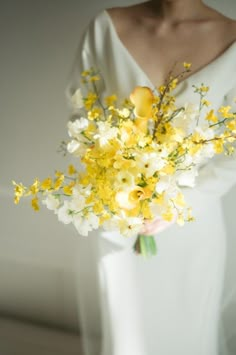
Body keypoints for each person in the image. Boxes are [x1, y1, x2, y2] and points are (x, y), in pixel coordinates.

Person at [67, 1, 236, 354]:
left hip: (193, 225)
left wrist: (176, 205)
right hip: (121, 221)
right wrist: (117, 183)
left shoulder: (231, 38)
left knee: (188, 336)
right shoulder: (106, 28)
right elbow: (83, 116)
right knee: (127, 340)